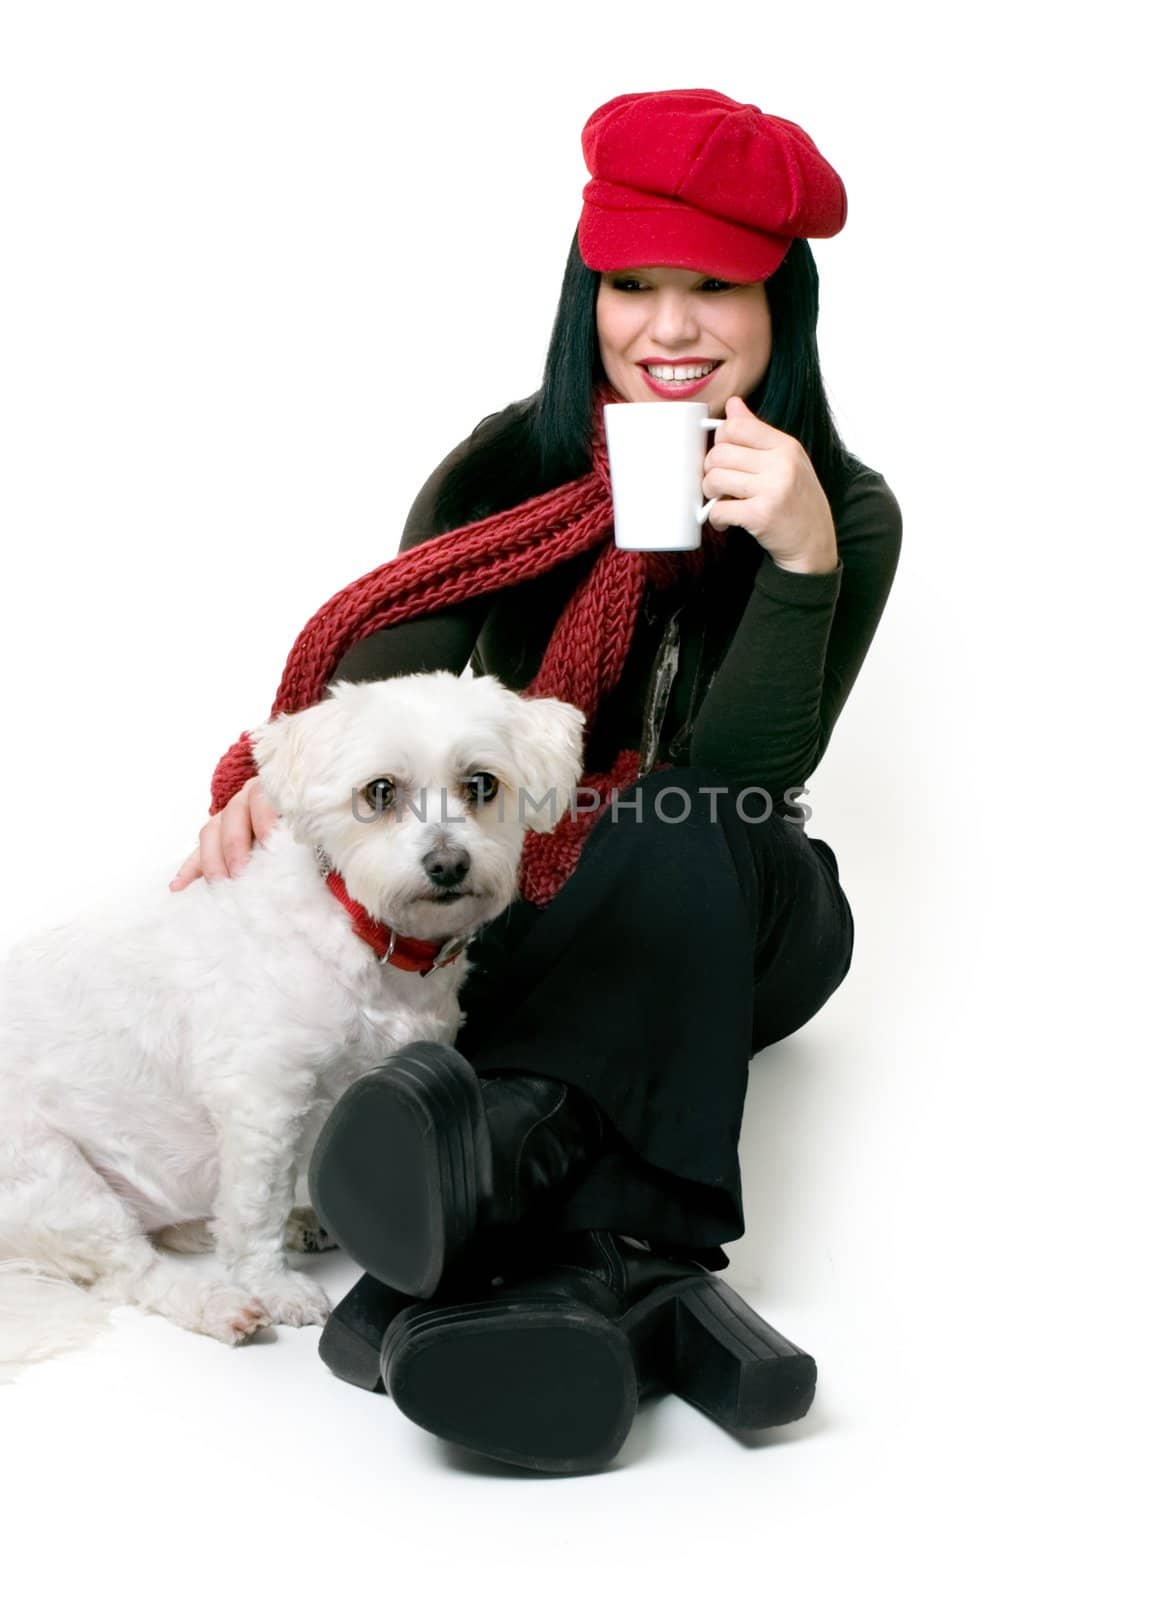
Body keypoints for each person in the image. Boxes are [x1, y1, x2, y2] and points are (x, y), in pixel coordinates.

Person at [170, 88, 902, 1473]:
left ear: (779, 305)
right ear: (590, 295)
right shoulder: (507, 465)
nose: (670, 329)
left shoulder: (845, 507)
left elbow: (744, 781)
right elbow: (378, 708)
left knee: (684, 815)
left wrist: (799, 565)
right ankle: (596, 1252)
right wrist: (285, 778)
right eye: (634, 285)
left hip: (741, 918)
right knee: (454, 901)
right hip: (522, 910)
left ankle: (477, 1178)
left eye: (716, 289)